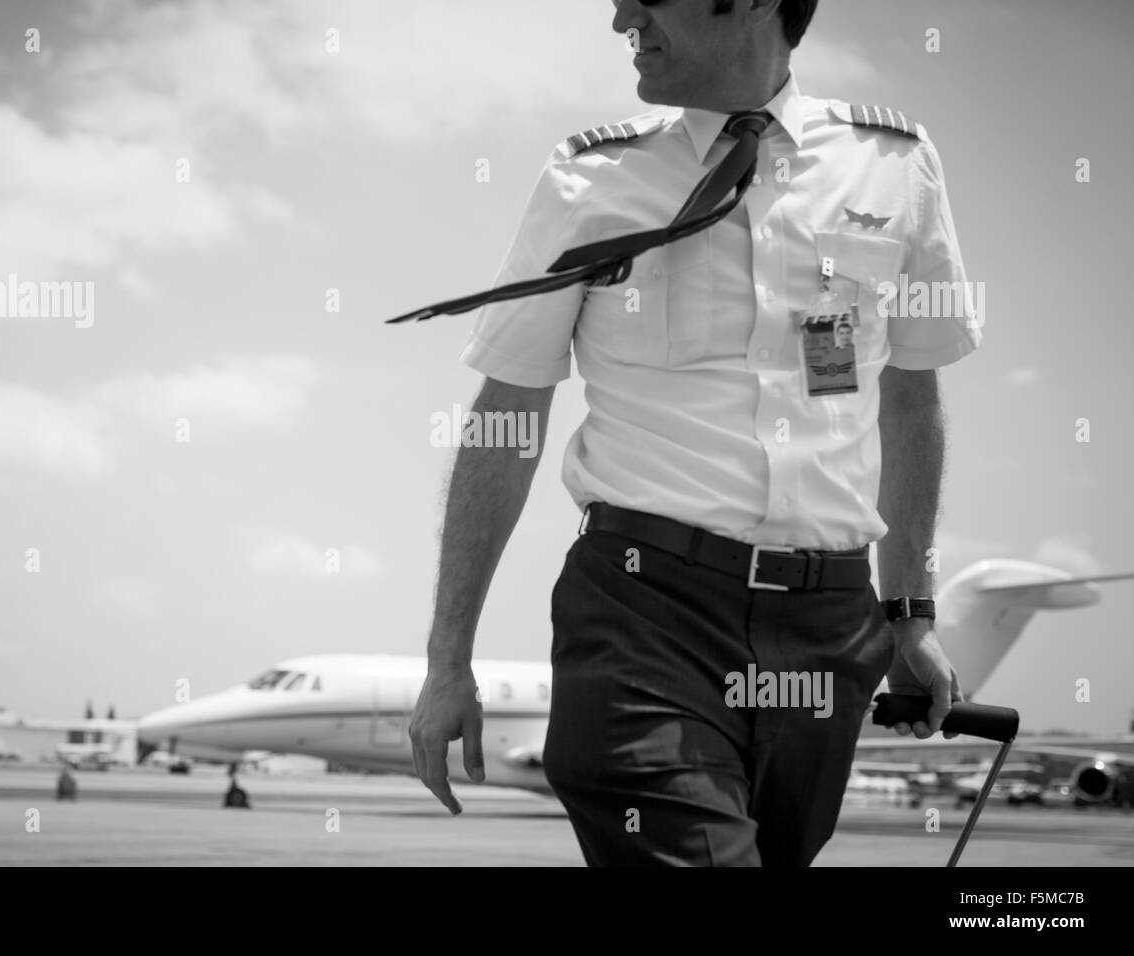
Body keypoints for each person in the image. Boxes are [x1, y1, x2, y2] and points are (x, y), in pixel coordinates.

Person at [408, 0, 981, 865]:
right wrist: (449, 656)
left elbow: (909, 390)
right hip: (644, 611)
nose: (621, 18)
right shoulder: (588, 177)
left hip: (828, 625)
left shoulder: (895, 166)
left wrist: (910, 614)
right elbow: (509, 413)